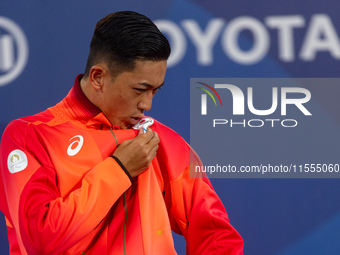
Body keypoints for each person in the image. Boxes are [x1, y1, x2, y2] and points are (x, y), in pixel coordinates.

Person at [0, 11, 244, 255]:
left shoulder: (161, 142)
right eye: (140, 89)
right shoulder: (29, 137)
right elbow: (39, 240)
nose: (147, 104)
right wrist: (119, 169)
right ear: (98, 77)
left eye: (155, 91)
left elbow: (216, 236)